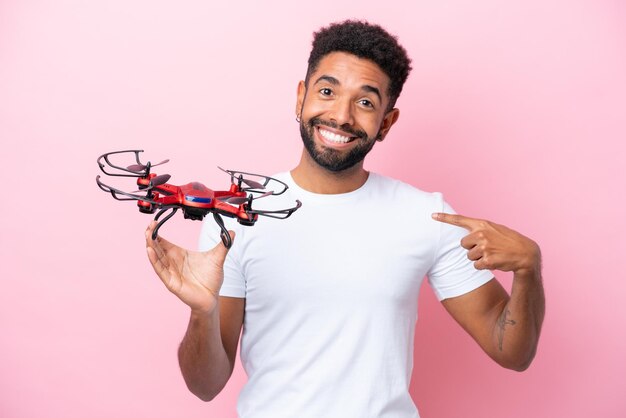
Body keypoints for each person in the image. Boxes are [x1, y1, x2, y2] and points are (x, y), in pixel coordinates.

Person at [145, 20, 545, 418]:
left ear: (386, 122)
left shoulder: (427, 215)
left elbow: (511, 352)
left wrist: (528, 269)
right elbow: (205, 386)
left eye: (366, 102)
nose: (341, 115)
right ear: (301, 97)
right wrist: (202, 311)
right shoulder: (237, 214)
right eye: (326, 91)